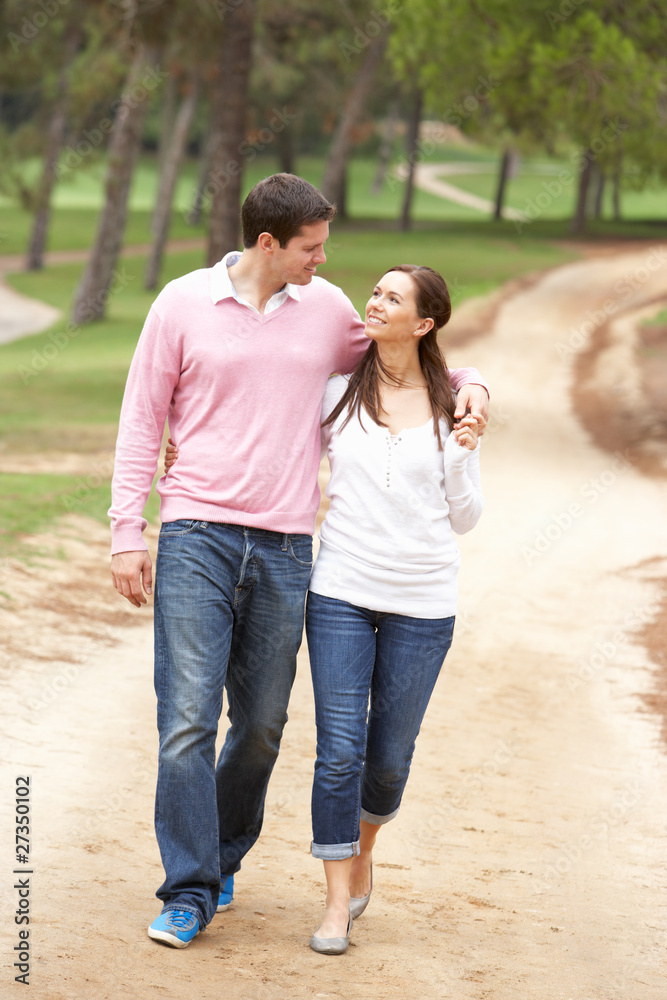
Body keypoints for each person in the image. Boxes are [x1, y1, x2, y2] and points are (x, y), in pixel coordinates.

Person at [110, 172, 489, 950]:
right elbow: (142, 418)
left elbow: (409, 357)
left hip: (286, 549)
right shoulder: (180, 303)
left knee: (260, 726)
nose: (325, 260)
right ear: (267, 243)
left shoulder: (327, 312)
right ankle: (190, 887)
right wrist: (126, 531)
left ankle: (219, 859)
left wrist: (474, 386)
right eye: (312, 247)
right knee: (185, 720)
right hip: (194, 535)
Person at [305, 264, 483, 954]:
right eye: (374, 293)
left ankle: (363, 850)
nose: (374, 304)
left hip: (422, 602)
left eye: (392, 298)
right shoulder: (336, 392)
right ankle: (332, 901)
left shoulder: (452, 404)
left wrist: (464, 454)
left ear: (425, 322)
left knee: (386, 760)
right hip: (341, 592)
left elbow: (465, 519)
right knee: (338, 753)